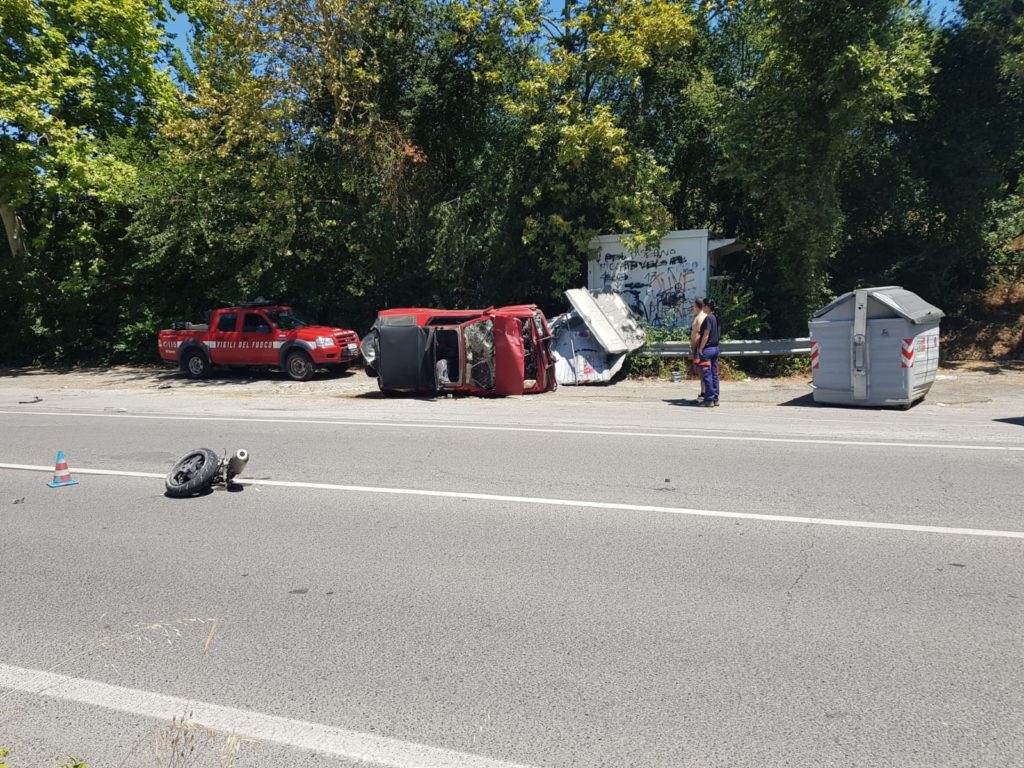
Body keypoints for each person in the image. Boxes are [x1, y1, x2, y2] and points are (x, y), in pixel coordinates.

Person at [696, 298, 720, 407]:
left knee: (707, 375)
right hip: (715, 349)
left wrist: (701, 348)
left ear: (706, 307)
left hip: (708, 349)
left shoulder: (708, 318)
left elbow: (706, 334)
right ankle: (715, 398)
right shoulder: (715, 317)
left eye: (704, 306)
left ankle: (709, 399)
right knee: (715, 375)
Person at [690, 298, 708, 401]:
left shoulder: (698, 318)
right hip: (706, 347)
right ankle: (705, 393)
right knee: (706, 371)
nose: (693, 308)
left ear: (697, 306)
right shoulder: (707, 316)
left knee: (702, 371)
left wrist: (693, 350)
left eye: (694, 306)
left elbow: (697, 335)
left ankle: (703, 394)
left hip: (699, 348)